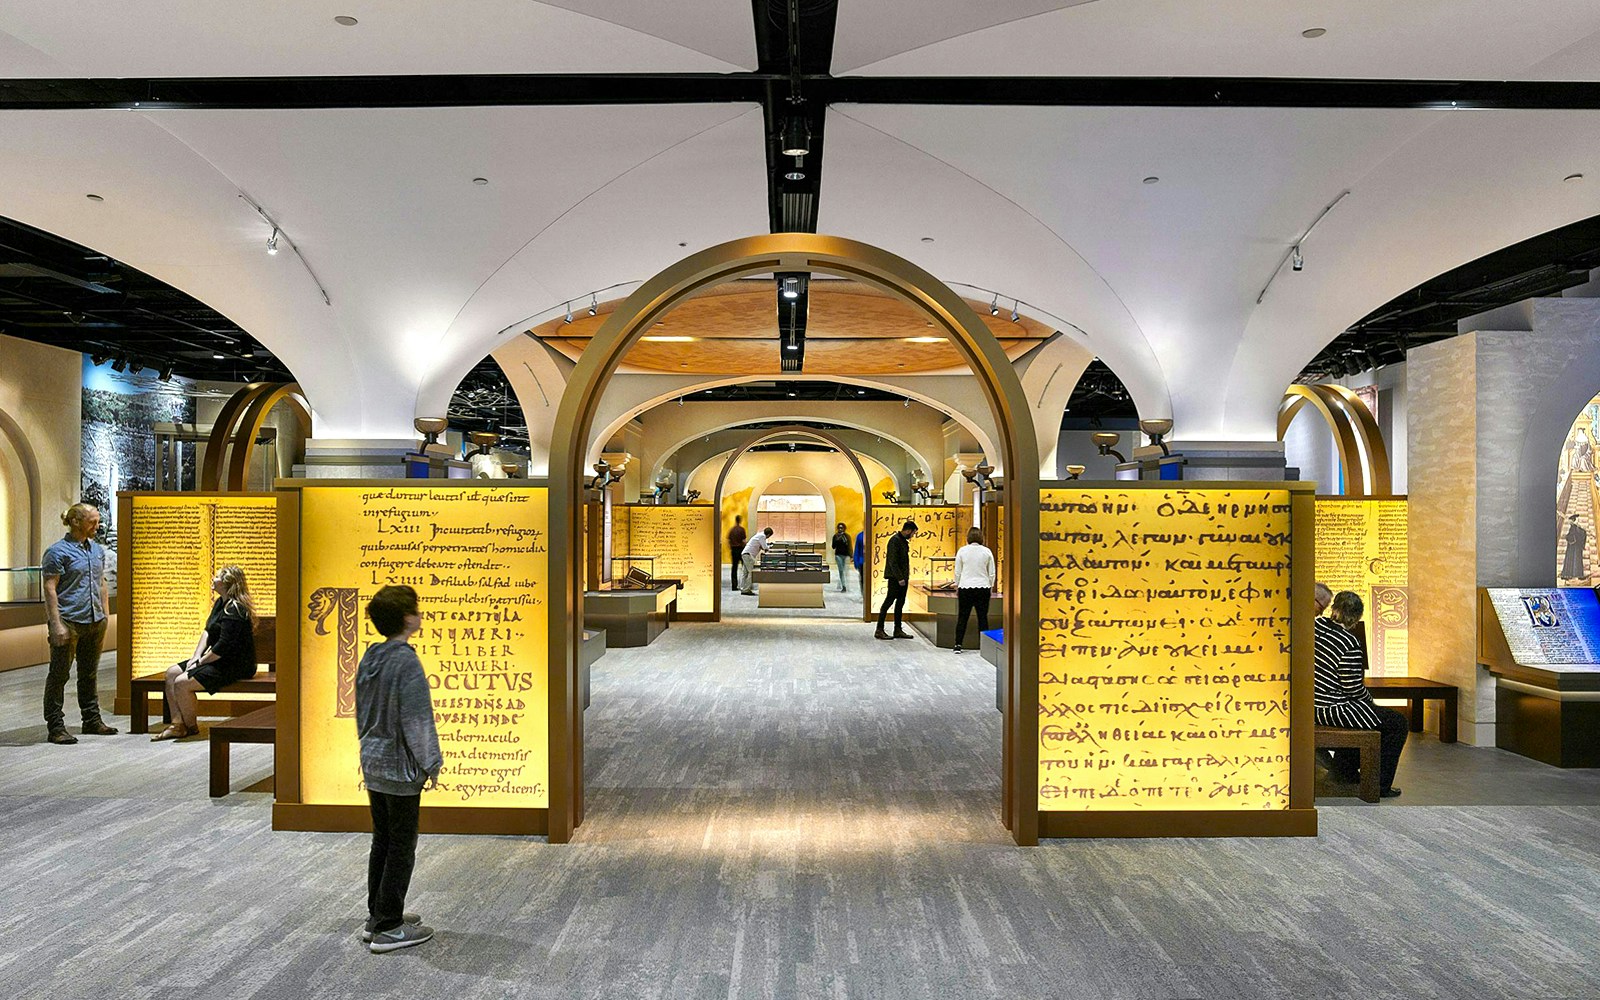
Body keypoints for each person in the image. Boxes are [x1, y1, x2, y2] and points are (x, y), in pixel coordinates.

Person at [356, 585, 442, 953]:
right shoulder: (406, 661)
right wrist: (431, 761)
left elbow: (360, 711)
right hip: (399, 767)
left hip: (373, 760)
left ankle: (378, 914)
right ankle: (389, 926)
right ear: (408, 619)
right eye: (416, 610)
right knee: (402, 845)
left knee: (383, 839)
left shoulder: (370, 657)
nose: (419, 615)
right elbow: (417, 719)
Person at [1314, 590, 1407, 799]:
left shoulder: (1314, 627)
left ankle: (1343, 772)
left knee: (1364, 716)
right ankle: (1379, 785)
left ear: (1334, 608)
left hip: (1311, 705)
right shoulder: (1349, 643)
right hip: (1331, 708)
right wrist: (1370, 701)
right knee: (1397, 723)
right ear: (1356, 617)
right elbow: (1353, 689)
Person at [151, 566, 259, 741]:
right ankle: (177, 724)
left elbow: (223, 647)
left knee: (182, 683)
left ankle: (191, 727)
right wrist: (195, 657)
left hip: (233, 664)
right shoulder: (220, 603)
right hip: (217, 659)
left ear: (226, 583)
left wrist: (200, 663)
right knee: (171, 673)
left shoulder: (235, 609)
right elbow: (208, 632)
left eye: (217, 576)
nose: (213, 579)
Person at [41, 502, 116, 744]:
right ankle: (55, 726)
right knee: (59, 674)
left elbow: (101, 582)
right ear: (75, 522)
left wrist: (105, 614)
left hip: (95, 620)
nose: (97, 525)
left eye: (97, 520)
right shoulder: (57, 552)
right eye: (92, 521)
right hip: (69, 620)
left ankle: (91, 720)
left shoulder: (97, 551)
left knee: (89, 673)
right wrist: (56, 624)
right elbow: (50, 588)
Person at [951, 527, 996, 654]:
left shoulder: (962, 551)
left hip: (966, 587)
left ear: (968, 538)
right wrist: (990, 586)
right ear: (981, 537)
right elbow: (991, 572)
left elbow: (958, 571)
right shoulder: (987, 551)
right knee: (983, 618)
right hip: (983, 587)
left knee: (962, 617)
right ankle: (985, 647)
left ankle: (958, 644)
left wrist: (957, 584)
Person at [875, 520, 917, 640]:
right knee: (888, 602)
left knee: (900, 603)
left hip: (902, 578)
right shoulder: (895, 541)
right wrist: (899, 578)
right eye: (913, 533)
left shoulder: (902, 541)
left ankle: (897, 629)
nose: (912, 536)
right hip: (895, 578)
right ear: (908, 530)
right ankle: (879, 629)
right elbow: (893, 561)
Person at [740, 526, 774, 595]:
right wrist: (770, 548)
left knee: (745, 573)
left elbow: (761, 546)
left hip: (745, 553)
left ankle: (743, 588)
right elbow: (765, 548)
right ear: (768, 535)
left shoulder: (759, 535)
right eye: (769, 536)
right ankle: (747, 590)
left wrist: (766, 547)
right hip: (749, 555)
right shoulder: (762, 537)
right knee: (751, 572)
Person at [1561, 514, 1587, 581]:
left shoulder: (1577, 527)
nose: (1579, 520)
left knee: (1577, 560)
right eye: (1577, 519)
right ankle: (1568, 575)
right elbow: (1570, 536)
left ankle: (1578, 575)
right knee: (1572, 559)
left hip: (1577, 546)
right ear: (1574, 520)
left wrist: (1583, 532)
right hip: (1573, 547)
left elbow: (1582, 533)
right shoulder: (1573, 527)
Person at [726, 516, 747, 591]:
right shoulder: (741, 529)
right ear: (740, 520)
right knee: (744, 568)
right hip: (741, 550)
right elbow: (744, 541)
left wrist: (731, 548)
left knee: (734, 568)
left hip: (734, 550)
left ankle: (734, 586)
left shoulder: (732, 530)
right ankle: (744, 585)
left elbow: (728, 541)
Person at [831, 522, 852, 593]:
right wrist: (837, 540)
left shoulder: (847, 536)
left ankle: (841, 583)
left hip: (846, 555)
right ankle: (844, 586)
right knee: (841, 570)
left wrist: (851, 556)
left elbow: (850, 546)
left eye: (841, 528)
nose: (840, 529)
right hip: (838, 555)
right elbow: (833, 546)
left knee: (845, 571)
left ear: (844, 528)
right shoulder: (835, 536)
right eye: (839, 528)